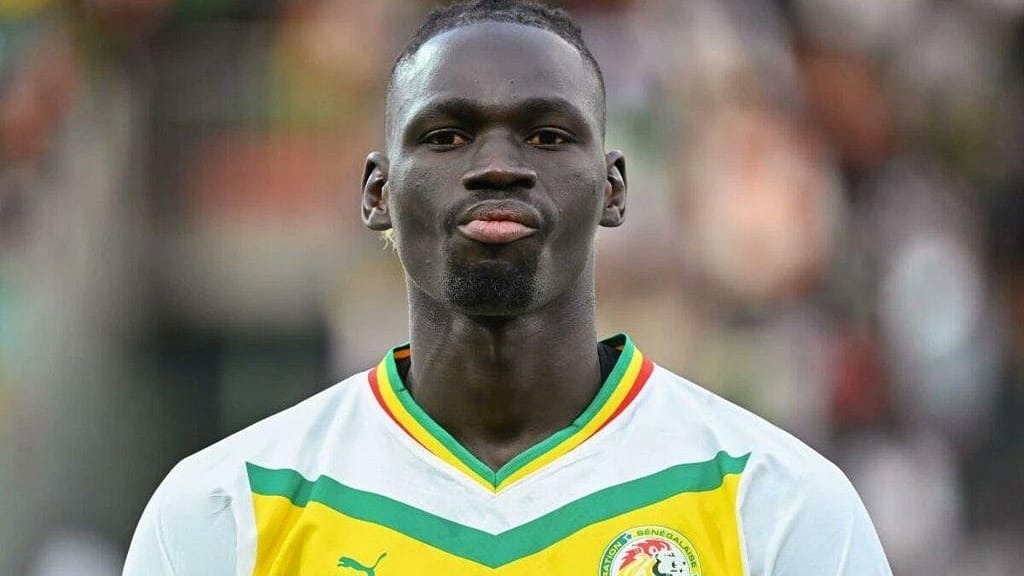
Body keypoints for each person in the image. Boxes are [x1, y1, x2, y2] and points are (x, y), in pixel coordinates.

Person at [124, 1, 893, 574]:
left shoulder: (774, 501)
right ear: (377, 193)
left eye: (548, 135)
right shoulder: (229, 510)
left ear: (615, 189)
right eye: (446, 135)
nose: (497, 166)